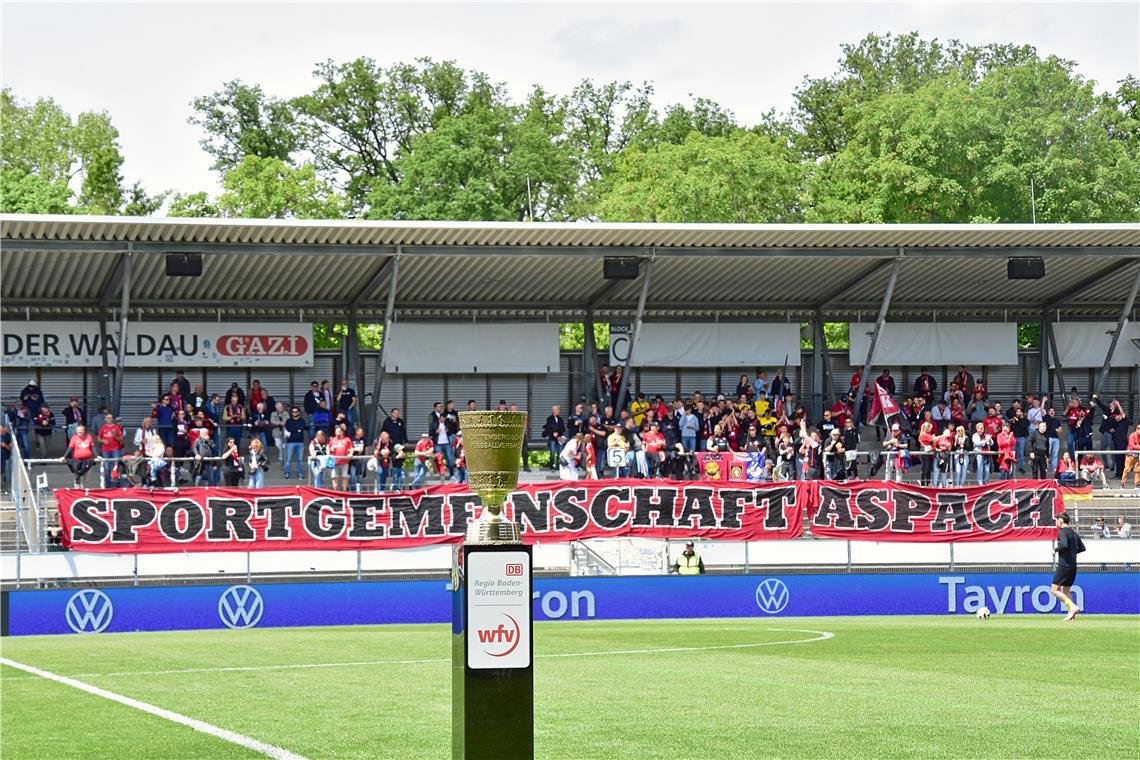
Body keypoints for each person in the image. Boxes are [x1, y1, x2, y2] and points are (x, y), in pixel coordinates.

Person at [1051, 512, 1085, 621]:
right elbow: (1082, 548)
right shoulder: (1074, 533)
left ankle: (1073, 607)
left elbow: (1064, 545)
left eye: (1056, 520)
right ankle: (1072, 616)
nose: (1056, 523)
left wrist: (1055, 550)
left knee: (1054, 590)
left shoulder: (1062, 532)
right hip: (1073, 566)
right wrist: (1072, 552)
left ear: (1061, 521)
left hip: (1064, 565)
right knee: (1066, 590)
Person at [97, 413, 124, 487]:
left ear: (113, 419)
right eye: (108, 418)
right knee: (107, 467)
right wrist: (103, 441)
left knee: (116, 466)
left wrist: (115, 436)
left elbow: (121, 439)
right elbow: (98, 439)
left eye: (111, 418)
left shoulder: (116, 427)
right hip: (106, 450)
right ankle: (107, 484)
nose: (109, 419)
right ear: (105, 419)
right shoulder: (103, 428)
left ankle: (117, 484)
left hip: (115, 449)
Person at [328, 425, 353, 491]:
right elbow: (328, 448)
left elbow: (351, 448)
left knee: (344, 476)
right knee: (334, 477)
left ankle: (344, 491)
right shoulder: (332, 440)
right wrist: (330, 450)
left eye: (338, 431)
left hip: (344, 462)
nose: (337, 433)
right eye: (336, 431)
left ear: (342, 432)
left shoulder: (347, 439)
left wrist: (350, 453)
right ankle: (335, 491)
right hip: (335, 462)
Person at [542, 405, 567, 470]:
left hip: (559, 438)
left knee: (560, 452)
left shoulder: (560, 419)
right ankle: (551, 465)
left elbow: (563, 428)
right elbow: (548, 428)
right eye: (557, 410)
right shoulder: (549, 419)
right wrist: (553, 433)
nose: (558, 411)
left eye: (558, 410)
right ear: (553, 411)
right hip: (552, 438)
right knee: (552, 452)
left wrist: (558, 433)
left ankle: (558, 466)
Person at [1122, 424, 1140, 488]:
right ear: (1137, 429)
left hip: (1137, 455)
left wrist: (1138, 447)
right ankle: (1123, 483)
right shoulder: (1132, 435)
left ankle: (1137, 484)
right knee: (1127, 469)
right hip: (1130, 455)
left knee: (1138, 470)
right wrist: (1138, 447)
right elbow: (1132, 445)